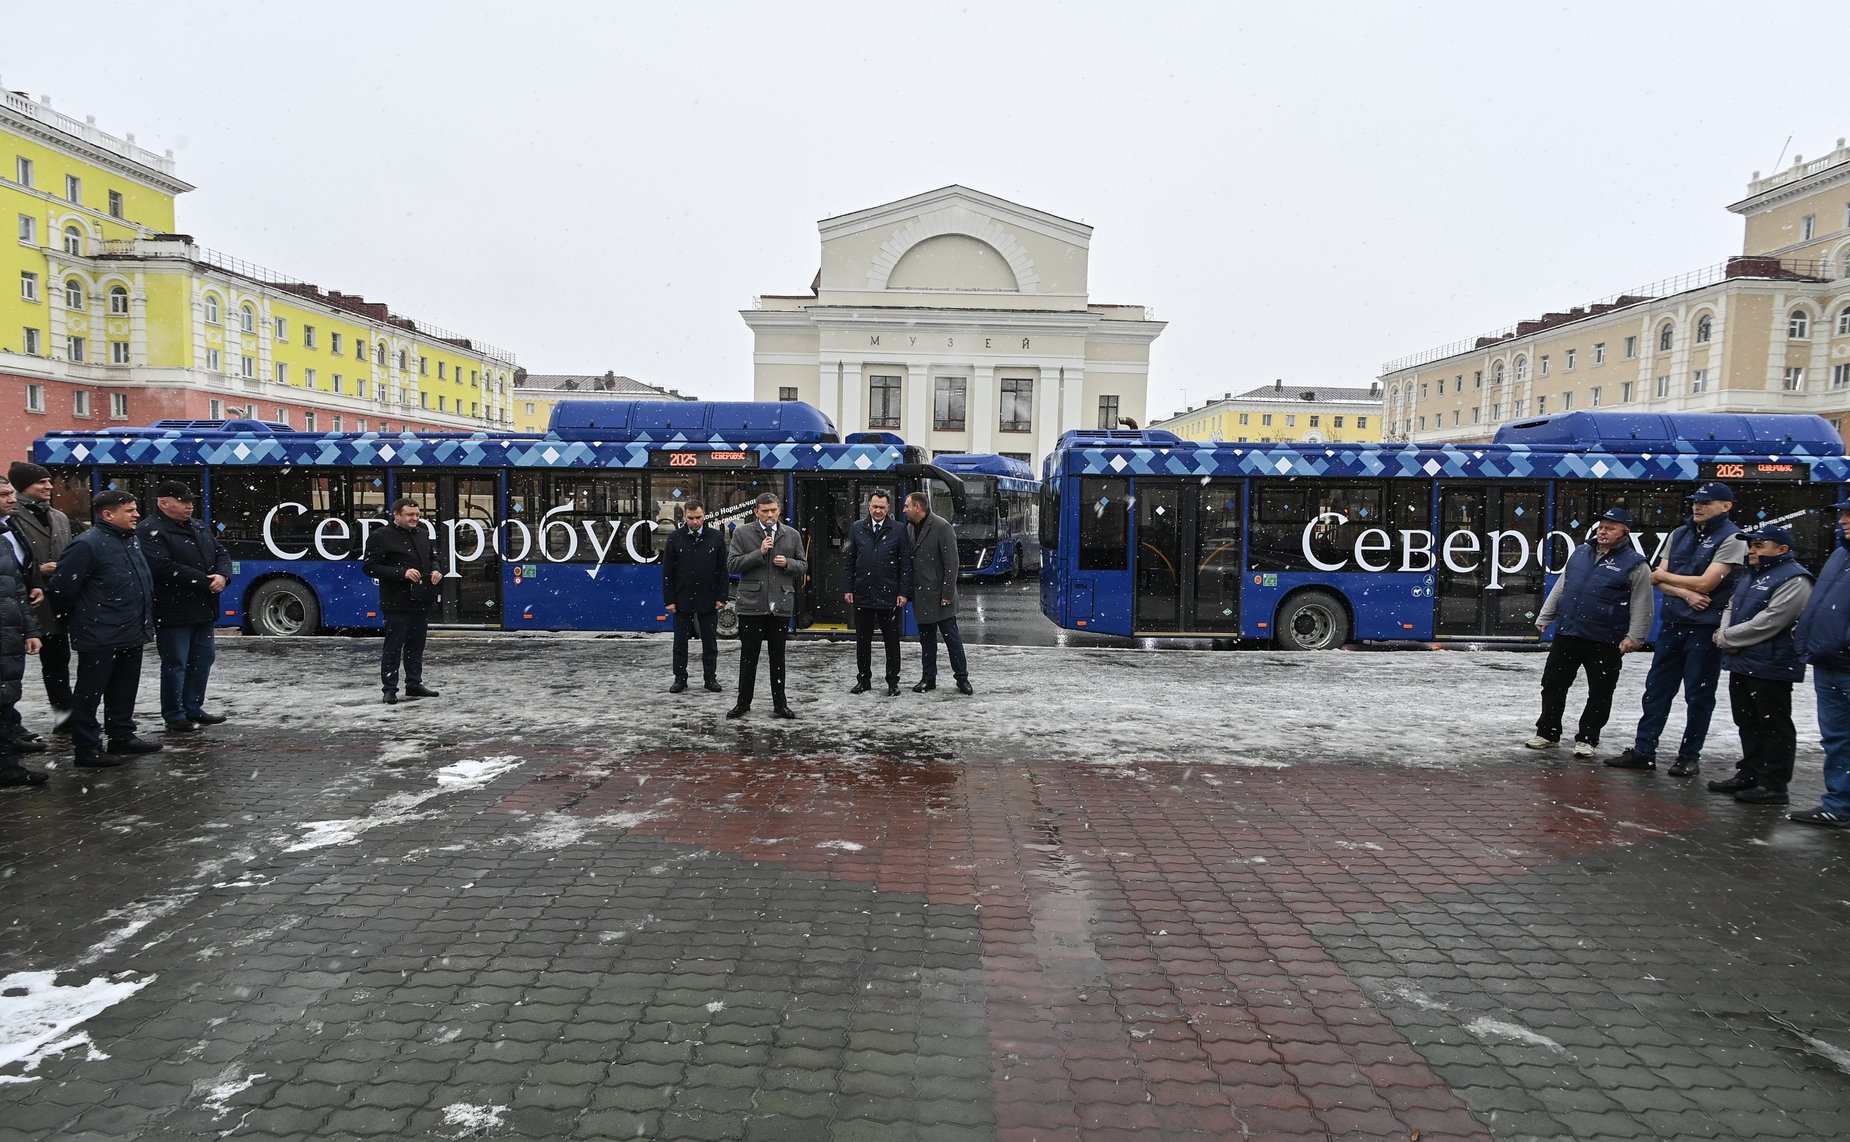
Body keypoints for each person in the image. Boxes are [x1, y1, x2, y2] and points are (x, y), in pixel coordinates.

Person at [1607, 481, 1746, 777]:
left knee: (1698, 695)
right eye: (1696, 501)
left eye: (1705, 503)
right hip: (1674, 623)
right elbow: (1657, 579)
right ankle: (1644, 751)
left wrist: (1674, 580)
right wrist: (1685, 592)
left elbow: (1707, 583)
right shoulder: (1679, 533)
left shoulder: (1733, 537)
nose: (1697, 506)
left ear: (1726, 506)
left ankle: (1689, 756)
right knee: (1656, 690)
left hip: (1705, 629)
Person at [45, 490, 159, 768]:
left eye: (135, 509)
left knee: (124, 687)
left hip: (131, 630)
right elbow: (61, 589)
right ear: (108, 514)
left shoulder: (130, 541)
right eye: (129, 510)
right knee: (90, 692)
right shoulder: (87, 544)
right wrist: (90, 617)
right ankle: (86, 748)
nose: (136, 515)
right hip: (100, 633)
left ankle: (121, 735)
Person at [1527, 506, 1650, 757]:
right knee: (1553, 684)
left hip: (1605, 638)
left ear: (1625, 532)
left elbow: (1642, 603)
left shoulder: (1635, 564)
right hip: (1569, 633)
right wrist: (1546, 615)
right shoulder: (1581, 552)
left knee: (1600, 692)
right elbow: (1563, 586)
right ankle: (1547, 733)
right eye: (1602, 527)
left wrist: (1634, 637)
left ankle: (1587, 738)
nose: (1603, 532)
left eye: (1610, 528)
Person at [1705, 525, 1813, 807]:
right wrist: (1726, 636)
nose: (1752, 551)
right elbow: (1731, 607)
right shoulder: (1751, 575)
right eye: (1751, 546)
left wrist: (1728, 637)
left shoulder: (1795, 578)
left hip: (1771, 665)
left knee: (1774, 726)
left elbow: (1774, 619)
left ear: (1782, 550)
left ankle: (1774, 785)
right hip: (1743, 661)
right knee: (1748, 722)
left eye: (1759, 546)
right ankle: (1750, 774)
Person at [138, 480, 234, 732]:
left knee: (203, 659)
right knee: (176, 662)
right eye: (183, 501)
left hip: (203, 608)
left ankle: (193, 707)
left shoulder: (198, 526)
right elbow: (161, 566)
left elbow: (221, 552)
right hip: (174, 609)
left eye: (191, 501)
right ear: (163, 503)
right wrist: (205, 581)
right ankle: (174, 713)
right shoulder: (150, 530)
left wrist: (223, 575)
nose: (189, 506)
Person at [1791, 498, 1850, 827]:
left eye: (1848, 514)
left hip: (1843, 660)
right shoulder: (1840, 554)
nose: (1842, 520)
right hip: (1828, 663)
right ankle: (1838, 805)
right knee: (1837, 738)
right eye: (1842, 514)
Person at [8, 462, 74, 733]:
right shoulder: (10, 516)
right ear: (23, 487)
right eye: (41, 483)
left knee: (58, 664)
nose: (49, 487)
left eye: (49, 482)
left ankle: (66, 718)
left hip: (54, 602)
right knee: (12, 669)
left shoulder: (59, 517)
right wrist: (37, 570)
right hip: (21, 602)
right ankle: (11, 725)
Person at [726, 493, 805, 720]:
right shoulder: (742, 533)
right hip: (752, 605)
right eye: (764, 511)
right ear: (756, 512)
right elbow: (732, 564)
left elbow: (803, 565)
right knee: (748, 657)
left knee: (777, 658)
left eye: (773, 510)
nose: (769, 515)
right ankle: (743, 703)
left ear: (779, 510)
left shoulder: (791, 535)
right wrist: (758, 553)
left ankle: (780, 704)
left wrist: (788, 564)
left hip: (779, 604)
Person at [361, 497, 444, 705]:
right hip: (396, 602)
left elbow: (434, 558)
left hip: (421, 599)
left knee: (416, 646)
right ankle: (389, 689)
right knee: (393, 646)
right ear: (396, 515)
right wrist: (402, 573)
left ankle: (414, 683)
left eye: (417, 514)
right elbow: (370, 566)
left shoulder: (423, 535)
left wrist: (436, 570)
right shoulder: (380, 537)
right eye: (410, 515)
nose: (415, 518)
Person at [0, 476, 47, 786]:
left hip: (9, 634)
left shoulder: (5, 535)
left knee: (5, 698)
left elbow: (16, 588)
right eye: (4, 495)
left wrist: (31, 629)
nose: (11, 499)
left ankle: (7, 763)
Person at [842, 489, 912, 697]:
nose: (878, 510)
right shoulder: (857, 528)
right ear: (868, 506)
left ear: (888, 508)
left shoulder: (899, 530)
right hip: (862, 593)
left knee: (891, 641)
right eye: (875, 506)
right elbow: (849, 561)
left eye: (882, 507)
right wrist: (848, 588)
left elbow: (905, 565)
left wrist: (902, 592)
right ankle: (863, 680)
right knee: (862, 640)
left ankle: (893, 681)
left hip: (889, 595)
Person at [903, 491, 973, 695]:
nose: (904, 510)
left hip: (941, 596)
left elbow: (952, 563)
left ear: (917, 507)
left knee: (952, 638)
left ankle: (962, 678)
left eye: (907, 506)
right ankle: (928, 678)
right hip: (921, 595)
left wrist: (948, 594)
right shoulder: (909, 528)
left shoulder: (942, 527)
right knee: (927, 640)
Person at [661, 500, 727, 694]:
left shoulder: (716, 537)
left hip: (708, 597)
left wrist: (722, 596)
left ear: (704, 515)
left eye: (698, 517)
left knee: (710, 642)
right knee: (680, 642)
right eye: (691, 518)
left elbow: (722, 570)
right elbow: (668, 572)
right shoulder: (675, 538)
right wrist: (669, 600)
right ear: (684, 517)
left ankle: (710, 678)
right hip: (682, 598)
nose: (695, 522)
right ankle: (680, 678)